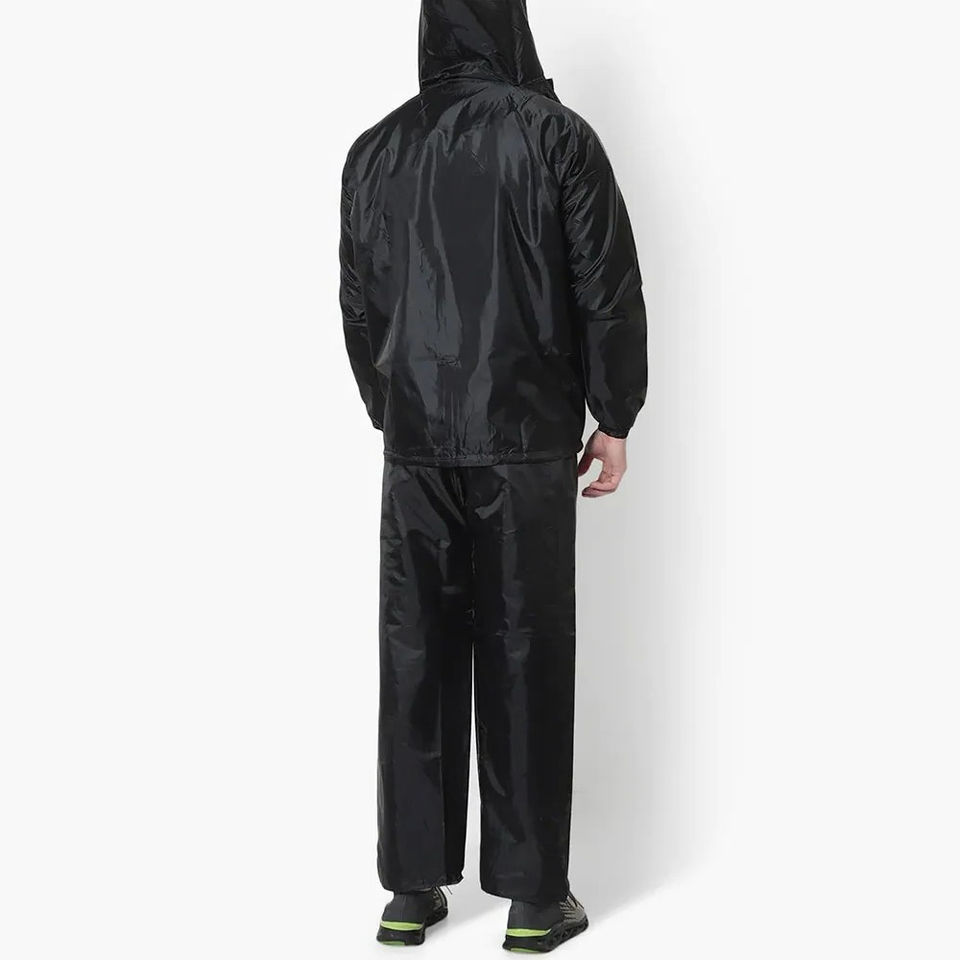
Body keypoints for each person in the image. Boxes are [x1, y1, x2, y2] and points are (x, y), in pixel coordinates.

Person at [339, 0, 647, 951]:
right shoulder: (556, 136)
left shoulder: (375, 151)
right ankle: (533, 901)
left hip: (416, 446)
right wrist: (614, 415)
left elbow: (359, 302)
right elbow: (605, 284)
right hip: (524, 446)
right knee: (524, 650)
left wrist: (393, 410)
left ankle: (410, 890)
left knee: (415, 655)